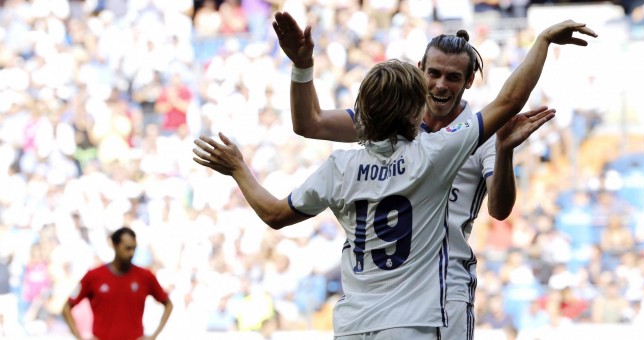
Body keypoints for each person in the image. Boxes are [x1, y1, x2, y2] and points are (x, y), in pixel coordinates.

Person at [193, 17, 595, 338]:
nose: (440, 84)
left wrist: (504, 150)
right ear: (418, 80)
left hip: (424, 292)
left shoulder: (344, 163)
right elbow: (509, 100)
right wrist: (541, 41)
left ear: (468, 80)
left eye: (452, 77)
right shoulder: (440, 148)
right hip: (417, 308)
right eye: (432, 74)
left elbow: (500, 209)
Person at [62, 227, 173, 340]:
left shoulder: (145, 276)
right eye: (127, 248)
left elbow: (168, 304)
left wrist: (153, 336)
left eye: (134, 248)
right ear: (115, 245)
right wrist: (79, 337)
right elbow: (66, 307)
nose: (131, 253)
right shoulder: (93, 276)